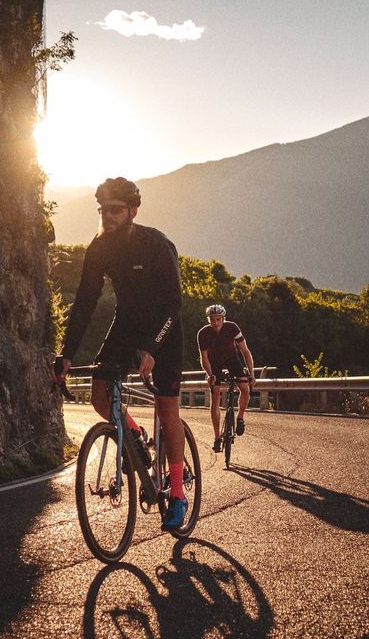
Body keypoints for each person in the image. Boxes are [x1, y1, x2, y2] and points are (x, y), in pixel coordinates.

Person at [53, 177, 188, 529]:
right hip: (126, 325)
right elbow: (85, 301)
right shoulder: (100, 247)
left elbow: (174, 306)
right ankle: (135, 436)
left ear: (132, 211)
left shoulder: (156, 244)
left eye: (115, 210)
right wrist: (67, 353)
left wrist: (152, 349)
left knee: (167, 409)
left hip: (164, 330)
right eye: (103, 210)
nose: (107, 216)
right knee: (101, 397)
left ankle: (177, 493)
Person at [197, 304, 257, 452]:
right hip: (214, 363)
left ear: (223, 318)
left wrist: (252, 374)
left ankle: (240, 418)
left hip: (232, 359)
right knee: (215, 394)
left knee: (245, 388)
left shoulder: (232, 328)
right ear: (209, 319)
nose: (215, 323)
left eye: (218, 319)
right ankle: (217, 437)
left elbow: (245, 351)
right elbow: (204, 358)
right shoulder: (203, 333)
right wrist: (210, 375)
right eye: (212, 319)